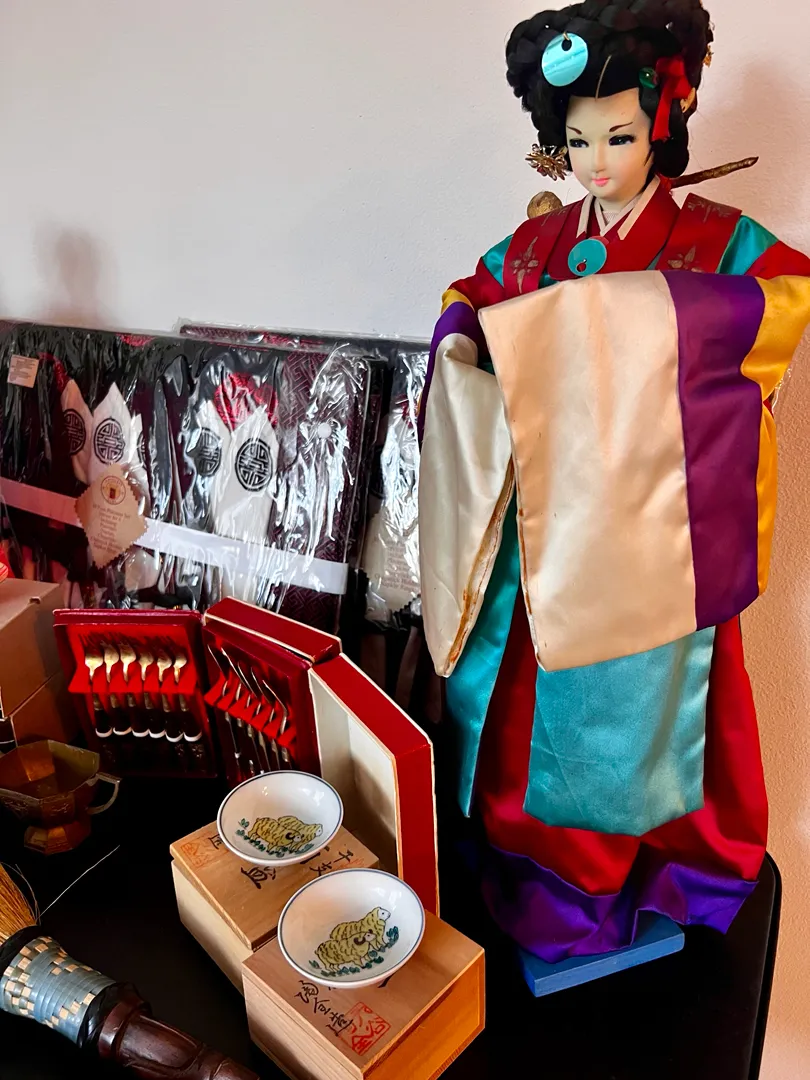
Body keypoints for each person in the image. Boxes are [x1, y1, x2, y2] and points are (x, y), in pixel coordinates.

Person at [419, 0, 810, 962]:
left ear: (662, 125)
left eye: (622, 137)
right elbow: (471, 295)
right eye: (580, 140)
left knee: (624, 728)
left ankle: (618, 887)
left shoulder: (716, 240)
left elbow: (784, 299)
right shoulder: (542, 242)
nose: (598, 163)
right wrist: (465, 336)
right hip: (539, 535)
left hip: (646, 543)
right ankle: (522, 871)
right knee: (517, 715)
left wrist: (640, 318)